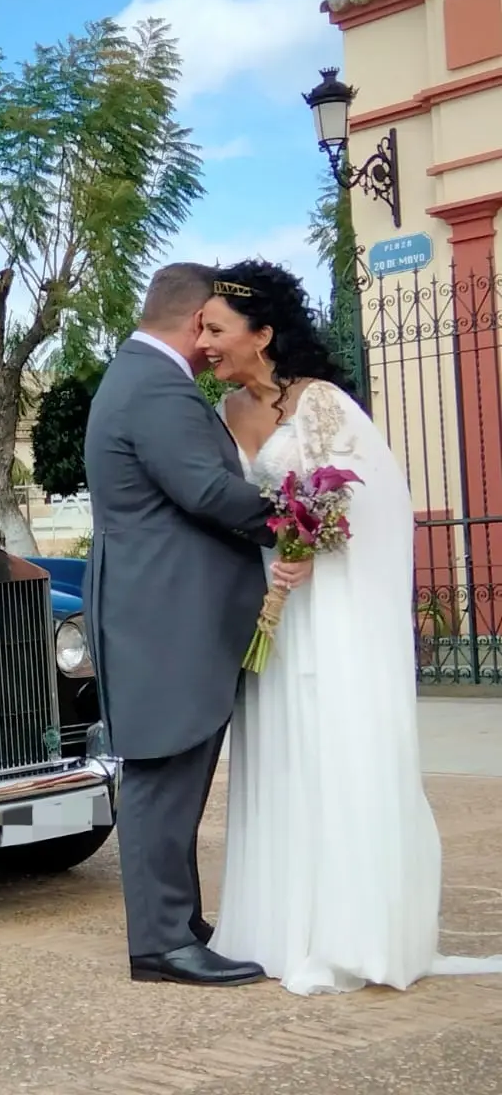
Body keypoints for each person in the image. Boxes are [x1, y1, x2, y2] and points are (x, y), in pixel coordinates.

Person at [195, 259, 502, 996]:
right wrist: (277, 550)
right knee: (284, 753)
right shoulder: (228, 411)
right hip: (277, 610)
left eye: (216, 327)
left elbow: (375, 504)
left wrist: (309, 542)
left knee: (341, 744)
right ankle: (280, 926)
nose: (203, 341)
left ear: (262, 333)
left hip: (335, 611)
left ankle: (350, 931)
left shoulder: (322, 402)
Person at [83, 262, 312, 986]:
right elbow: (208, 490)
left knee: (178, 773)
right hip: (163, 619)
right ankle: (160, 943)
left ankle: (177, 922)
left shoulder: (141, 378)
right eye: (209, 326)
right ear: (191, 321)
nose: (211, 342)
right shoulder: (153, 385)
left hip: (166, 614)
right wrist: (301, 520)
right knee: (162, 775)